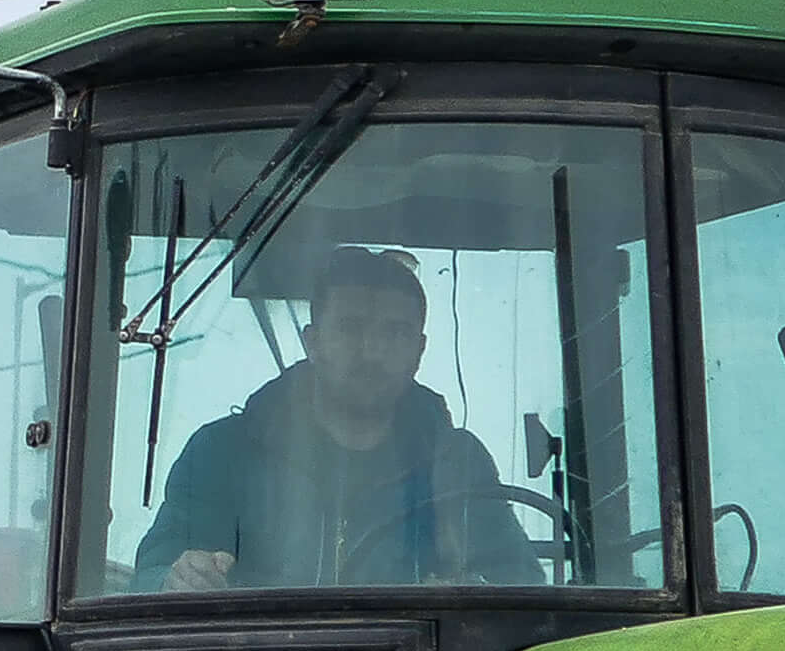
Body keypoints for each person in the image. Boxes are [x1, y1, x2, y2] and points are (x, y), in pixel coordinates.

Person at [133, 248, 534, 593]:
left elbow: (522, 589)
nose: (372, 351)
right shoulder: (221, 453)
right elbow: (152, 577)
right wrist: (178, 578)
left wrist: (473, 591)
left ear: (419, 349)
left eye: (394, 332)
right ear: (313, 341)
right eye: (351, 327)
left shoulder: (459, 464)